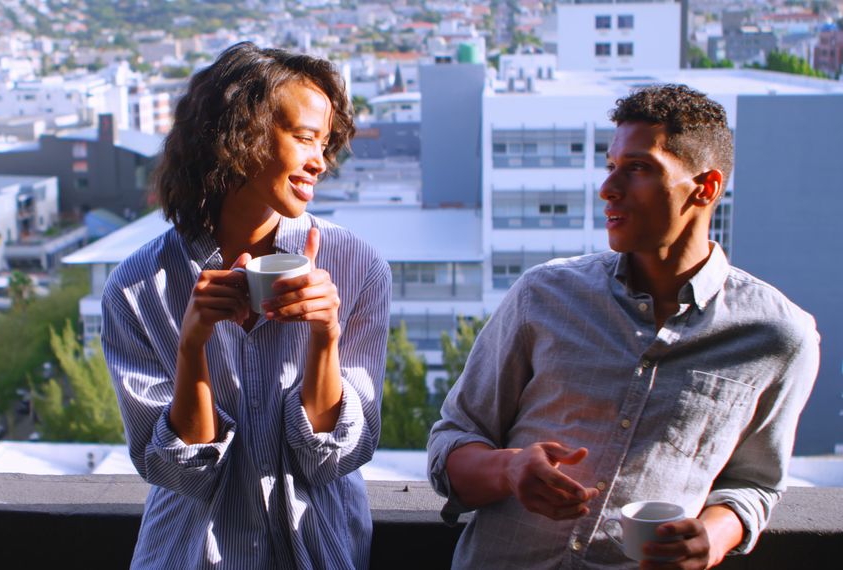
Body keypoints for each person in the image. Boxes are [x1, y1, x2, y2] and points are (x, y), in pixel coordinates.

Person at [427, 84, 819, 569]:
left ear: (707, 187)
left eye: (638, 168)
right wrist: (509, 470)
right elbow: (451, 444)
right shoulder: (543, 295)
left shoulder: (779, 336)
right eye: (612, 166)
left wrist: (712, 538)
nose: (608, 188)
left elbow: (755, 484)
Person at [101, 42, 391, 569]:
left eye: (326, 144)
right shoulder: (139, 285)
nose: (319, 162)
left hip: (319, 552)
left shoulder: (356, 265)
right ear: (242, 135)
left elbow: (336, 459)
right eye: (304, 138)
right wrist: (193, 346)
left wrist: (325, 334)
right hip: (191, 556)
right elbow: (177, 474)